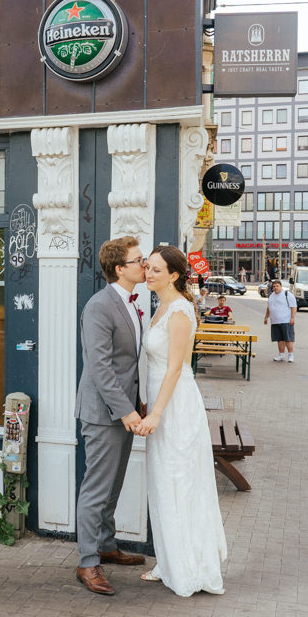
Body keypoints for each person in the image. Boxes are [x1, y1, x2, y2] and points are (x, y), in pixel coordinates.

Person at [133, 246, 227, 596]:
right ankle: (170, 560)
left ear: (173, 275)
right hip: (160, 398)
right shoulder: (160, 306)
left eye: (156, 269)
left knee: (181, 481)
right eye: (148, 267)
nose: (149, 273)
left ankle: (190, 565)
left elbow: (175, 367)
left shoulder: (180, 310)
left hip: (176, 406)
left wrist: (156, 412)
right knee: (164, 482)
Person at [72, 236, 148, 596]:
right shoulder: (99, 306)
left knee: (113, 485)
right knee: (96, 489)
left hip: (125, 411)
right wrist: (127, 410)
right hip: (104, 414)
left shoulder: (132, 302)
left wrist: (139, 403)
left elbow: (129, 363)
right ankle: (88, 562)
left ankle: (106, 544)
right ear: (120, 269)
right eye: (138, 260)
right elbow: (99, 368)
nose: (144, 265)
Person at [263, 279, 297, 362]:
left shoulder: (287, 294)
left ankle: (291, 355)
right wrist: (266, 317)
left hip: (286, 320)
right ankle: (281, 355)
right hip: (275, 321)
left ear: (281, 286)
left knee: (288, 339)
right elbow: (268, 308)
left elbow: (293, 306)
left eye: (277, 286)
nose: (275, 288)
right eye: (274, 286)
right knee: (279, 339)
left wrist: (292, 318)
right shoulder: (271, 296)